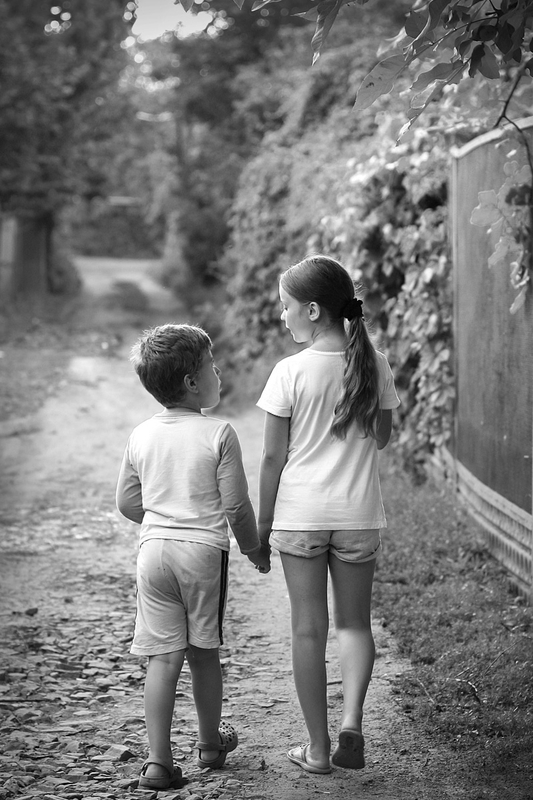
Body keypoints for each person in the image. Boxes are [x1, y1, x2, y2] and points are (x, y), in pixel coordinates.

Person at [257, 255, 400, 775]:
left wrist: (261, 529)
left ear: (313, 310)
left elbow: (271, 459)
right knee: (354, 625)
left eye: (286, 306)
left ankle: (317, 751)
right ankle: (352, 723)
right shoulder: (375, 362)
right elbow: (382, 437)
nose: (283, 315)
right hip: (358, 515)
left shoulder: (289, 371)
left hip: (301, 517)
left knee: (307, 631)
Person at [116, 323, 270, 791]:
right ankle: (208, 744)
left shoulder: (142, 434)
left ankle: (158, 762)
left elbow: (127, 502)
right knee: (203, 653)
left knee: (163, 659)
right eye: (211, 366)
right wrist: (254, 548)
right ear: (191, 383)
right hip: (201, 553)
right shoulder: (218, 432)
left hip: (153, 553)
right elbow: (236, 507)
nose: (218, 372)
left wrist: (162, 515)